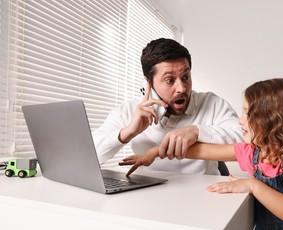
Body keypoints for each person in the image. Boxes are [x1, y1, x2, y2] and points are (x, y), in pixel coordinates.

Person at [123, 78, 283, 230]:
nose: (239, 120)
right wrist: (153, 152)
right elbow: (200, 151)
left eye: (247, 113)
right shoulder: (252, 151)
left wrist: (252, 185)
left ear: (272, 120)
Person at [92, 38, 243, 175]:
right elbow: (89, 156)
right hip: (149, 195)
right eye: (169, 80)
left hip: (204, 194)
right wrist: (127, 132)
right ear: (148, 84)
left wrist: (197, 131)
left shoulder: (212, 103)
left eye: (185, 77)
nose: (182, 88)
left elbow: (248, 141)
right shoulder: (130, 110)